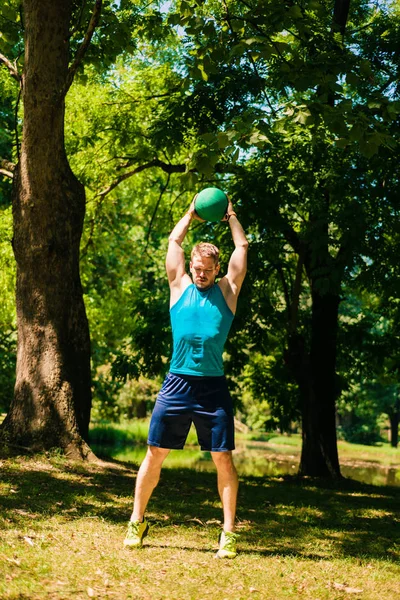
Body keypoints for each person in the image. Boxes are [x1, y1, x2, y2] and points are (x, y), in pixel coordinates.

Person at [124, 193, 248, 558]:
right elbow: (174, 241)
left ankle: (228, 535)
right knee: (155, 452)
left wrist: (230, 215)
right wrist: (191, 213)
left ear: (216, 268)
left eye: (208, 269)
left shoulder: (228, 290)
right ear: (191, 265)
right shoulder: (178, 286)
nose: (201, 274)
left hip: (212, 386)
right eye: (197, 268)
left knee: (222, 457)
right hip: (177, 382)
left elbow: (242, 244)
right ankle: (137, 521)